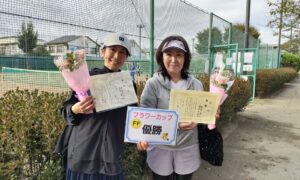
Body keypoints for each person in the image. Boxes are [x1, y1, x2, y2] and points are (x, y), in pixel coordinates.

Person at [61, 33, 135, 180]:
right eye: (112, 50)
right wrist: (75, 109)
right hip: (83, 153)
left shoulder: (128, 84)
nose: (117, 55)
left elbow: (132, 119)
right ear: (102, 52)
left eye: (122, 52)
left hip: (111, 157)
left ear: (126, 57)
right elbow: (66, 110)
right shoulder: (85, 77)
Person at [137, 35, 203, 180]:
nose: (174, 60)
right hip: (161, 147)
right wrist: (175, 124)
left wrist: (205, 117)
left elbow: (200, 113)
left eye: (179, 55)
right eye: (169, 54)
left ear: (185, 58)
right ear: (162, 56)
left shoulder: (196, 84)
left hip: (188, 146)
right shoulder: (153, 84)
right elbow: (145, 116)